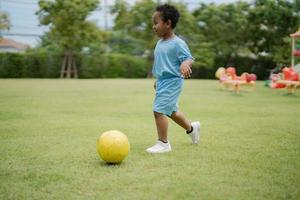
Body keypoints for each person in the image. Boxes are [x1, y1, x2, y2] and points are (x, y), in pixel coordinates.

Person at [146, 4, 201, 154]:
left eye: (156, 22)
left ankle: (163, 143)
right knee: (171, 111)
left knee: (158, 110)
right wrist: (159, 79)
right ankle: (191, 128)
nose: (153, 26)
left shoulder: (178, 43)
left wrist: (184, 63)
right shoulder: (160, 42)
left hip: (173, 81)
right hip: (164, 81)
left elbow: (189, 58)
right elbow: (163, 64)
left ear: (168, 23)